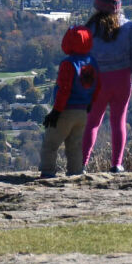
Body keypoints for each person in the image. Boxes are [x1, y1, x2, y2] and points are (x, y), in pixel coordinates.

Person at [80, 0, 132, 173]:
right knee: (119, 121)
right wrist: (129, 68)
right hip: (121, 79)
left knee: (93, 121)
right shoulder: (128, 27)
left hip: (97, 80)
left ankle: (82, 163)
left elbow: (81, 56)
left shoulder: (90, 29)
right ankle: (117, 164)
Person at [41, 23, 96, 177]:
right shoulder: (93, 62)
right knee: (75, 146)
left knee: (50, 144)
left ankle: (47, 173)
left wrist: (56, 112)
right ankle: (76, 173)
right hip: (83, 111)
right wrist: (91, 104)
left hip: (66, 111)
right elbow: (98, 86)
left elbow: (64, 90)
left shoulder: (68, 64)